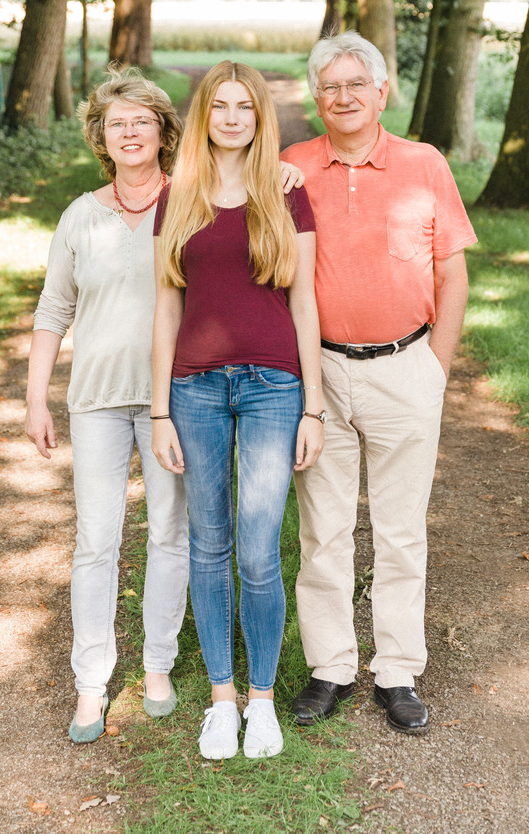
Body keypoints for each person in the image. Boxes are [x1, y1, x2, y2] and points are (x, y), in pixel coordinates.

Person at [282, 33, 477, 736]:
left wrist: (436, 368)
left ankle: (396, 670)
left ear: (381, 92)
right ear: (316, 96)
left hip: (405, 367)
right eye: (329, 87)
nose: (342, 98)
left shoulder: (424, 165)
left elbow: (451, 273)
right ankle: (331, 665)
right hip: (320, 373)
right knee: (323, 530)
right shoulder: (291, 168)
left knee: (399, 533)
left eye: (354, 85)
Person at [151, 61, 325, 761]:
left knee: (258, 549)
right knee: (208, 540)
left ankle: (262, 700)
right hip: (193, 388)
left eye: (242, 106)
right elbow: (165, 303)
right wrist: (160, 407)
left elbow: (304, 301)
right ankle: (221, 699)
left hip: (271, 387)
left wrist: (312, 406)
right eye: (217, 106)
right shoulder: (179, 197)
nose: (230, 117)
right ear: (203, 117)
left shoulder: (286, 193)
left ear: (260, 116)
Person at [25, 67, 189, 744]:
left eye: (141, 121)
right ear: (102, 135)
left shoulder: (190, 204)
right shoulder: (79, 214)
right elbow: (53, 310)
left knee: (169, 535)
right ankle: (91, 681)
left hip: (171, 403)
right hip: (93, 401)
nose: (128, 132)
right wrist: (36, 398)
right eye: (116, 122)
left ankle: (156, 666)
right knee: (96, 543)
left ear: (161, 132)